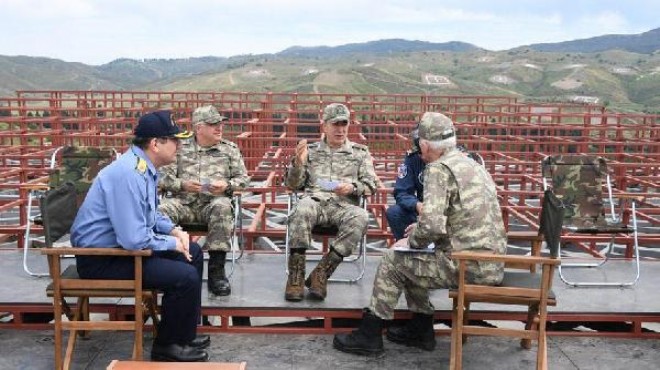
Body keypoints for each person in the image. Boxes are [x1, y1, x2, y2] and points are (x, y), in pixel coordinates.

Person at [333, 112, 507, 356]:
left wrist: (412, 238)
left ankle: (370, 334)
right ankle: (420, 329)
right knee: (413, 257)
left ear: (424, 145)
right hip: (492, 263)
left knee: (394, 259)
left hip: (467, 266)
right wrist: (420, 233)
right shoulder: (474, 165)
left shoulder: (438, 169)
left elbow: (433, 226)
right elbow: (465, 219)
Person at [70, 110, 210, 362]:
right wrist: (171, 244)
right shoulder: (129, 173)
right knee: (185, 275)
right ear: (155, 144)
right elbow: (133, 239)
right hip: (102, 259)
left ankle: (182, 335)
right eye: (174, 140)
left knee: (194, 252)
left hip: (121, 252)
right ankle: (167, 347)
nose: (179, 145)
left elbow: (150, 214)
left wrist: (174, 231)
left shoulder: (143, 167)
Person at [285, 103, 378, 302]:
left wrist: (353, 187)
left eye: (344, 124)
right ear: (324, 126)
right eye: (335, 124)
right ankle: (296, 277)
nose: (340, 129)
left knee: (361, 217)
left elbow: (371, 184)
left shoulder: (360, 153)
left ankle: (321, 274)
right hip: (315, 202)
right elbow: (292, 185)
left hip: (343, 206)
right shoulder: (310, 151)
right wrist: (298, 163)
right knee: (301, 209)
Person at [159, 105, 249, 297]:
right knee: (160, 211)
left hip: (212, 205)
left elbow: (243, 180)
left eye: (220, 124)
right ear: (198, 128)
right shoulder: (179, 147)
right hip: (184, 203)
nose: (219, 128)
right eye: (213, 124)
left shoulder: (229, 149)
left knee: (222, 206)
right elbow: (163, 179)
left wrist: (226, 185)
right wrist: (183, 184)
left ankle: (217, 272)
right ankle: (168, 265)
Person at [386, 126, 425, 240]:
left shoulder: (456, 160)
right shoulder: (414, 158)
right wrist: (416, 205)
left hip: (448, 213)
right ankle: (409, 249)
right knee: (395, 212)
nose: (423, 155)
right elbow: (401, 191)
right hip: (423, 209)